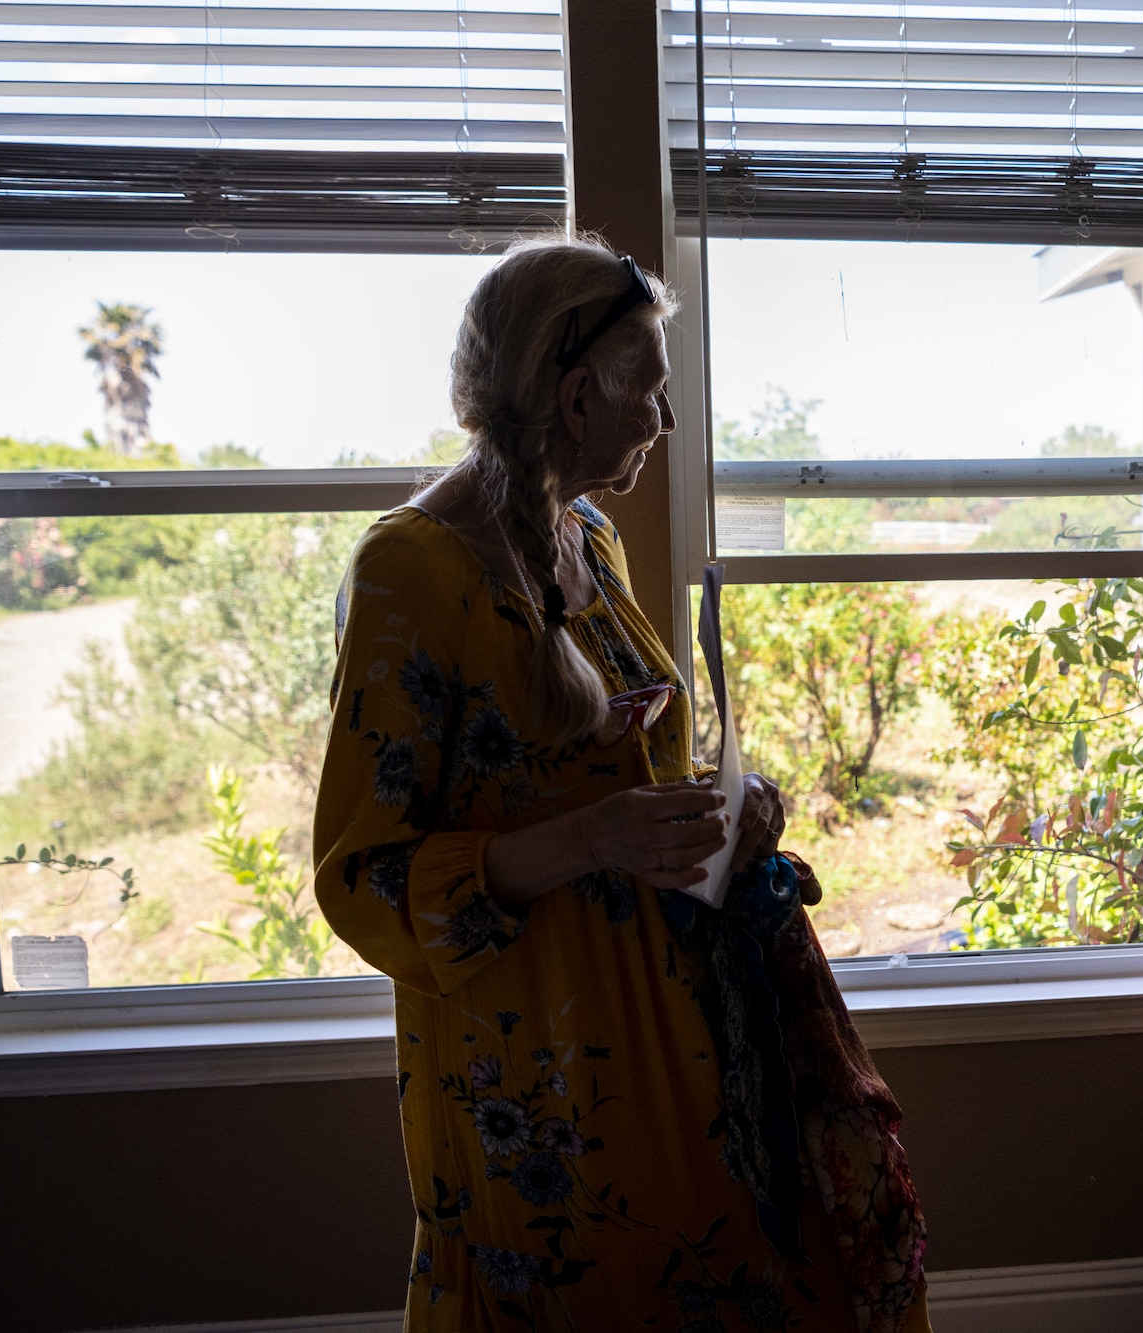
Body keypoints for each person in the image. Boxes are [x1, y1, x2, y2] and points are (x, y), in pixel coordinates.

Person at [313, 234, 929, 1332]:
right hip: (535, 1079)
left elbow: (617, 766)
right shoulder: (410, 572)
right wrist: (592, 840)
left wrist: (722, 805)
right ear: (573, 391)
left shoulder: (589, 540)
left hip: (685, 1041)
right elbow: (363, 877)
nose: (668, 419)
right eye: (650, 388)